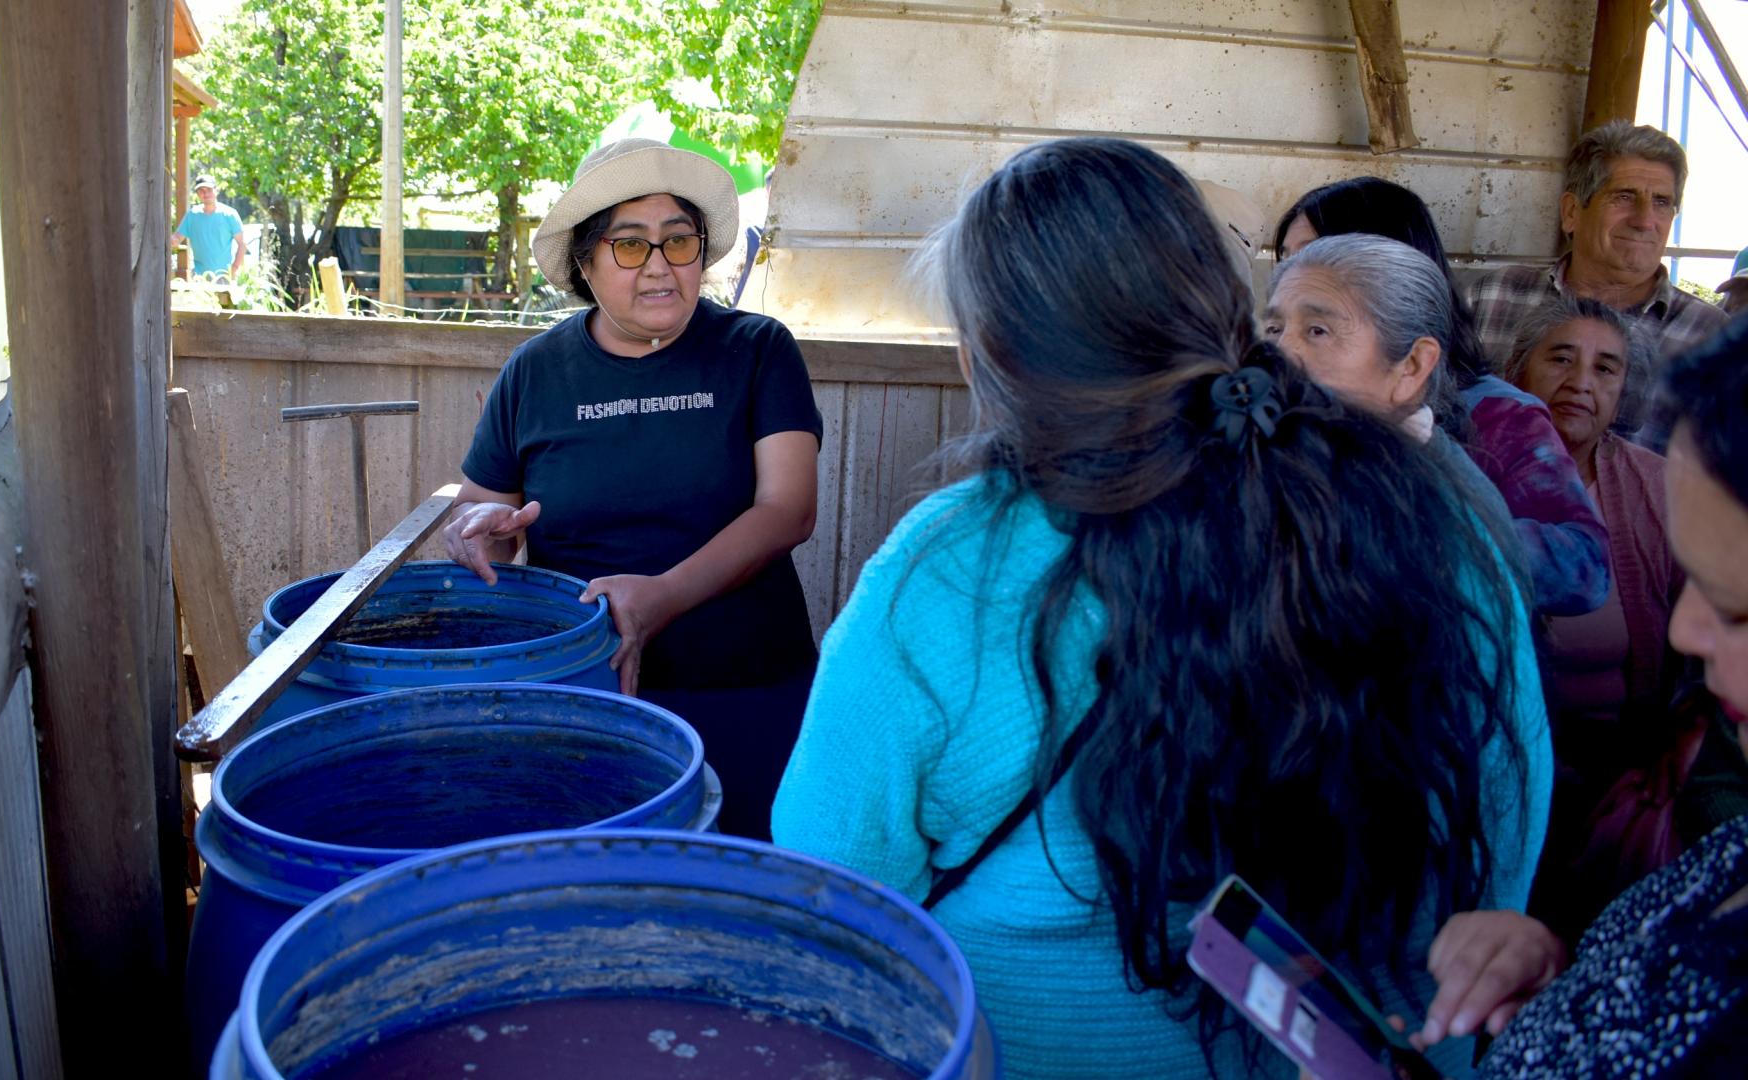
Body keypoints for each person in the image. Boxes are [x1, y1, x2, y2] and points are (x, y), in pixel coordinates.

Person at [771, 137, 1552, 1078]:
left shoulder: (950, 566)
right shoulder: (1426, 513)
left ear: (990, 360)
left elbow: (837, 885)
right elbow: (1501, 833)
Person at [442, 138, 822, 842]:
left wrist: (661, 599)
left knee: (743, 880)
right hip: (584, 693)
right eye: (629, 244)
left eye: (678, 241)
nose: (658, 265)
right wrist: (485, 529)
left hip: (748, 687)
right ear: (585, 262)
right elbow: (480, 510)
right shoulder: (535, 371)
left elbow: (788, 510)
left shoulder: (756, 350)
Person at [1401, 314, 1748, 1078]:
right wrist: (1567, 979)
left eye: (1737, 607)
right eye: (1560, 358)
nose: (1686, 631)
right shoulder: (1730, 855)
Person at [1275, 177, 1612, 616]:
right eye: (1285, 260)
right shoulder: (1280, 408)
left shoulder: (1496, 413)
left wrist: (1420, 535)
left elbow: (1584, 568)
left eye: (1317, 255)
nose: (1292, 280)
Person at [1501, 296, 1696, 941]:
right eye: (1560, 358)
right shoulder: (1474, 468)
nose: (1581, 382)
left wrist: (1680, 735)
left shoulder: (1657, 486)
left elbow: (1707, 634)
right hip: (1502, 766)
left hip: (1618, 772)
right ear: (1518, 370)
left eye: (1605, 368)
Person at [1466, 121, 1727, 450]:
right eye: (1624, 197)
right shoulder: (1494, 296)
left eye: (1661, 202)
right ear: (1572, 212)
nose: (1645, 220)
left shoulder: (1712, 337)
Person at [173, 174, 246, 278]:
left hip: (223, 277)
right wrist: (171, 240)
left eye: (209, 189)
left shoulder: (229, 214)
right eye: (201, 190)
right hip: (199, 278)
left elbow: (242, 244)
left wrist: (234, 269)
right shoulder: (192, 215)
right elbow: (177, 238)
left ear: (216, 190)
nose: (205, 193)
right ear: (197, 194)